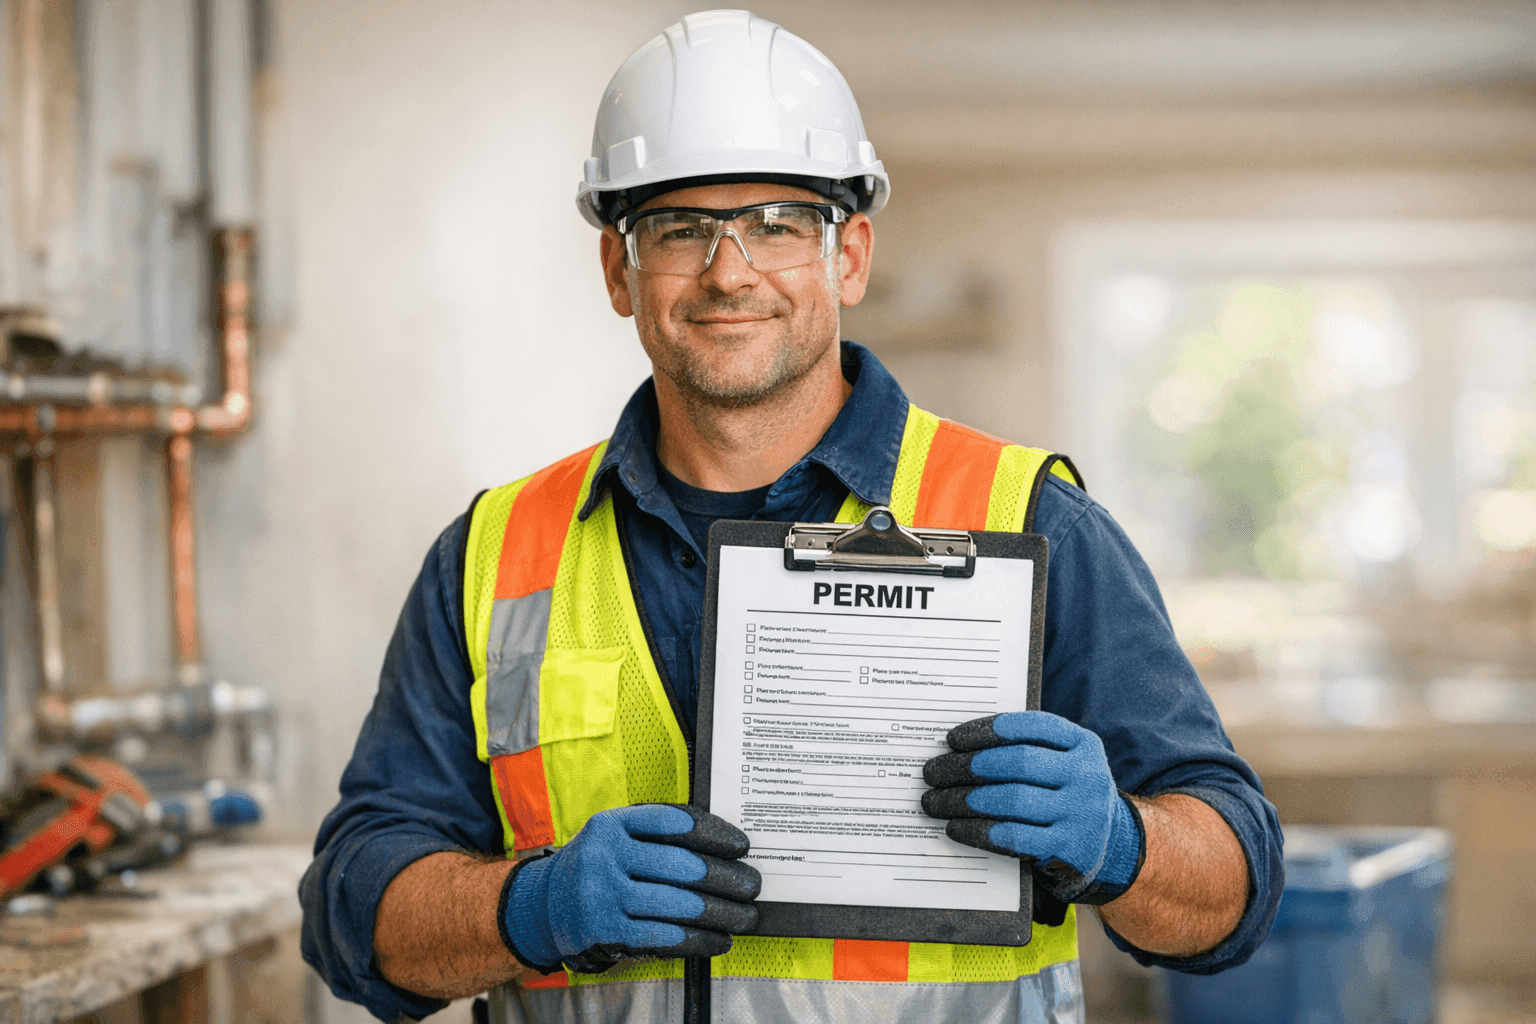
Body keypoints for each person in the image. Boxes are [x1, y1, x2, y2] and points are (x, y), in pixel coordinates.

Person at [300, 10, 1283, 1023]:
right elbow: (352, 917)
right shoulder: (494, 555)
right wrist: (527, 904)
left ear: (848, 255)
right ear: (616, 271)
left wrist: (1123, 842)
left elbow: (1234, 895)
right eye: (680, 228)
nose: (731, 272)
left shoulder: (1036, 523)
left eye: (777, 224)